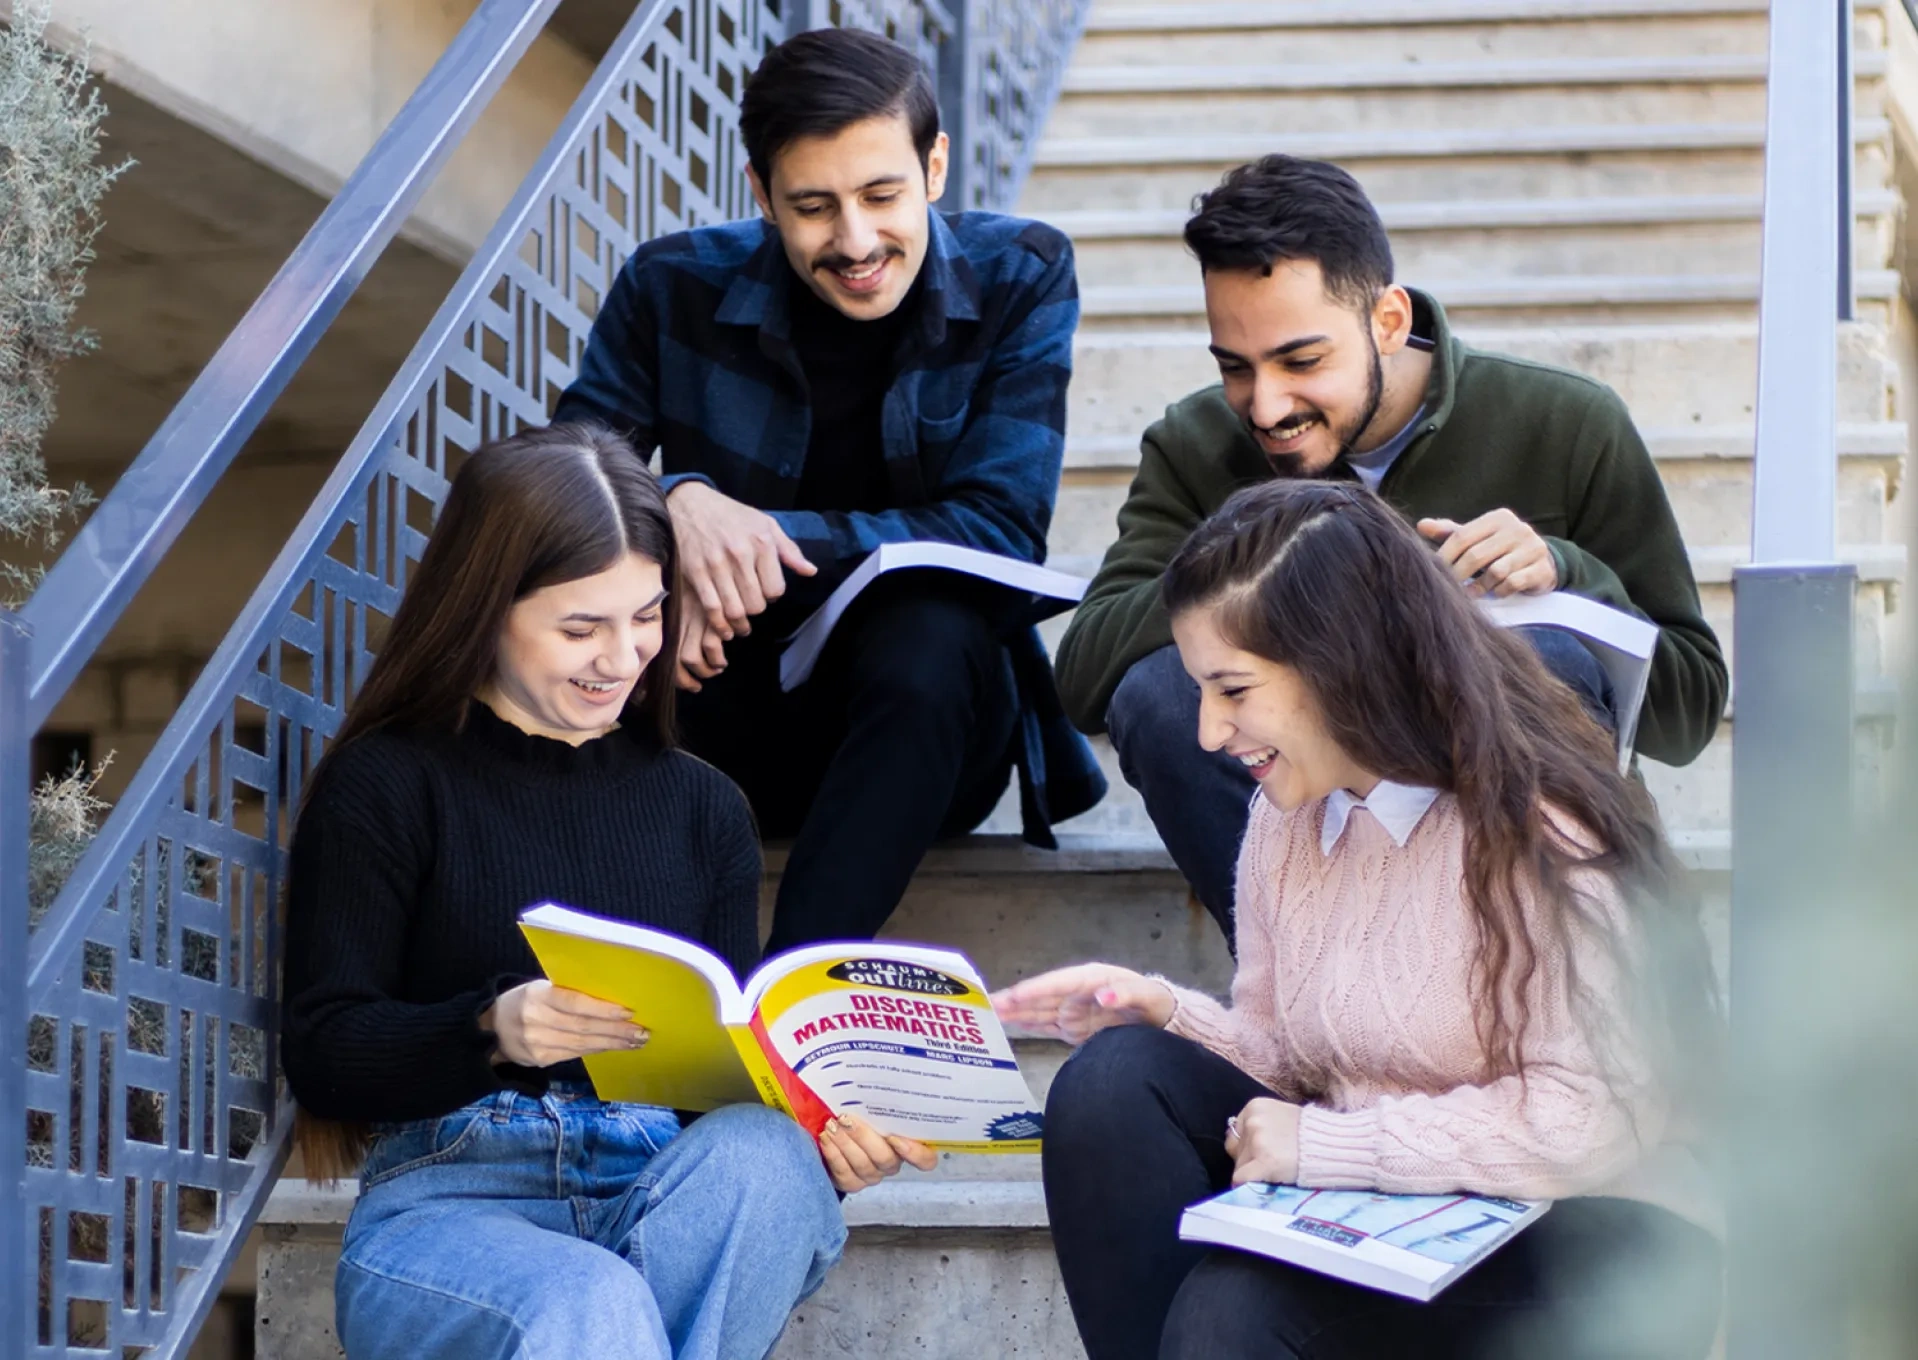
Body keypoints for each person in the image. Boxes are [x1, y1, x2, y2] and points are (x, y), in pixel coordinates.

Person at [999, 480, 1724, 1360]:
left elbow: (1591, 1121)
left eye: (1232, 689)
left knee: (1233, 1309)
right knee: (1114, 1084)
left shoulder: (1543, 829)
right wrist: (1159, 1009)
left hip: (1588, 1227)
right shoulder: (1289, 814)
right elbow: (1287, 1057)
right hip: (1396, 1205)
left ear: (1343, 664)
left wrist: (1337, 1145)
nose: (1207, 733)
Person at [281, 425, 935, 1360]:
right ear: (485, 610)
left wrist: (828, 1146)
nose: (623, 657)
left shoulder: (703, 808)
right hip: (450, 1205)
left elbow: (720, 1090)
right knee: (588, 1299)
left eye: (646, 616)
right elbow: (322, 1052)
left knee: (767, 1156)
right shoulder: (387, 783)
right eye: (580, 627)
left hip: (659, 1179)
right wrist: (492, 1031)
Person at [1053, 154, 1726, 935]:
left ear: (1389, 322)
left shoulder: (1566, 423)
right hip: (1308, 898)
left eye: (1302, 361)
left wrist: (1569, 574)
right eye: (1236, 368)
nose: (1267, 407)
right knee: (1166, 694)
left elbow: (1690, 709)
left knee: (1548, 660)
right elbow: (1088, 674)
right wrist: (1275, 547)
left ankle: (1536, 997)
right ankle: (1307, 1002)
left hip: (1523, 922)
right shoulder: (1196, 443)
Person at [554, 27, 1103, 954]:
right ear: (762, 194)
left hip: (926, 737)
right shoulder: (670, 284)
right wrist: (678, 510)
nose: (855, 242)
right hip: (719, 711)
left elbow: (1000, 528)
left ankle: (791, 993)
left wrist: (751, 539)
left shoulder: (1022, 273)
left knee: (932, 629)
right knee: (585, 632)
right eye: (813, 207)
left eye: (881, 195)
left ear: (934, 168)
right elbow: (562, 481)